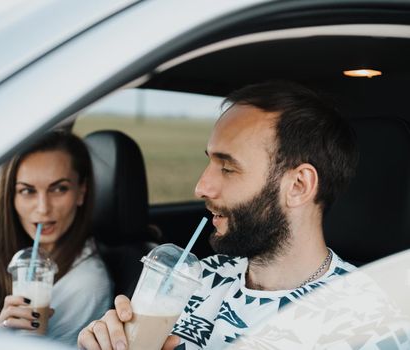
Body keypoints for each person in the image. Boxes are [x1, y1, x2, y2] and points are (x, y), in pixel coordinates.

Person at [76, 81, 363, 350]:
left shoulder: (363, 321)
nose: (201, 187)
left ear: (298, 186)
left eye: (227, 168)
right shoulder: (199, 275)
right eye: (209, 162)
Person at [0, 130, 113, 346]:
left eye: (59, 189)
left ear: (81, 192)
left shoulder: (87, 285)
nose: (43, 208)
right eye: (27, 191)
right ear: (11, 196)